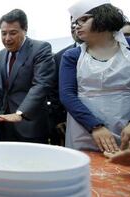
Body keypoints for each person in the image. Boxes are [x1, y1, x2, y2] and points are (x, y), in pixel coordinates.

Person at [60, 0, 130, 153]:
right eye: (76, 22)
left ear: (103, 16)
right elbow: (67, 95)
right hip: (85, 131)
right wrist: (94, 126)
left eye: (84, 19)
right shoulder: (72, 56)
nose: (77, 25)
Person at [0, 9, 56, 144]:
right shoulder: (1, 55)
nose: (7, 38)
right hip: (6, 123)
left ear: (25, 29)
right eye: (3, 33)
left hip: (30, 123)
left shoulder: (40, 48)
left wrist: (20, 113)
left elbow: (41, 84)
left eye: (13, 33)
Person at [48, 18, 84, 146]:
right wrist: (59, 119)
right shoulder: (60, 56)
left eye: (80, 23)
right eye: (72, 26)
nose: (75, 28)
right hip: (68, 119)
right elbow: (54, 90)